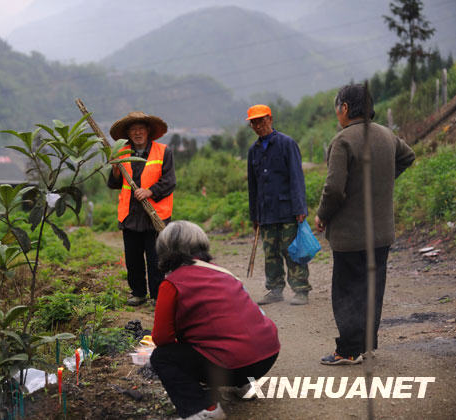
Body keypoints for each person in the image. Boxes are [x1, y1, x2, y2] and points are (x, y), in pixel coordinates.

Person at [315, 84, 415, 365]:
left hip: (350, 236)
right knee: (372, 288)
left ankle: (347, 350)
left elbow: (334, 189)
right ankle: (366, 345)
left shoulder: (343, 140)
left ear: (345, 108)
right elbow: (408, 156)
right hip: (381, 234)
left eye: (338, 108)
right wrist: (383, 179)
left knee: (347, 292)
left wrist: (322, 215)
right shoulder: (386, 135)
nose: (337, 113)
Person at [150, 221, 280, 420]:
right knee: (226, 331)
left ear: (165, 251)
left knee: (162, 357)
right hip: (267, 355)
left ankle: (203, 410)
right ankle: (244, 385)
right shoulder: (222, 272)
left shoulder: (171, 284)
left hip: (233, 363)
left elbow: (161, 338)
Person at [107, 111, 176, 306]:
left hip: (155, 215)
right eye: (133, 129)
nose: (137, 133)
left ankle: (158, 296)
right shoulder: (121, 153)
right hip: (130, 215)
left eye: (140, 129)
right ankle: (138, 293)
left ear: (148, 131)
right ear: (128, 133)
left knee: (156, 260)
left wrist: (150, 192)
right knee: (133, 258)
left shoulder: (163, 152)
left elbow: (169, 181)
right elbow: (113, 184)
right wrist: (114, 170)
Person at [246, 104, 312, 305]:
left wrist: (300, 207)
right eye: (254, 122)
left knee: (292, 251)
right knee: (271, 253)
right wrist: (254, 215)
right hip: (265, 212)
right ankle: (275, 290)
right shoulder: (253, 151)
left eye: (262, 120)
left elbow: (296, 177)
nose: (258, 125)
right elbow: (253, 186)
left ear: (270, 119)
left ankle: (301, 289)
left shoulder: (286, 144)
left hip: (287, 209)